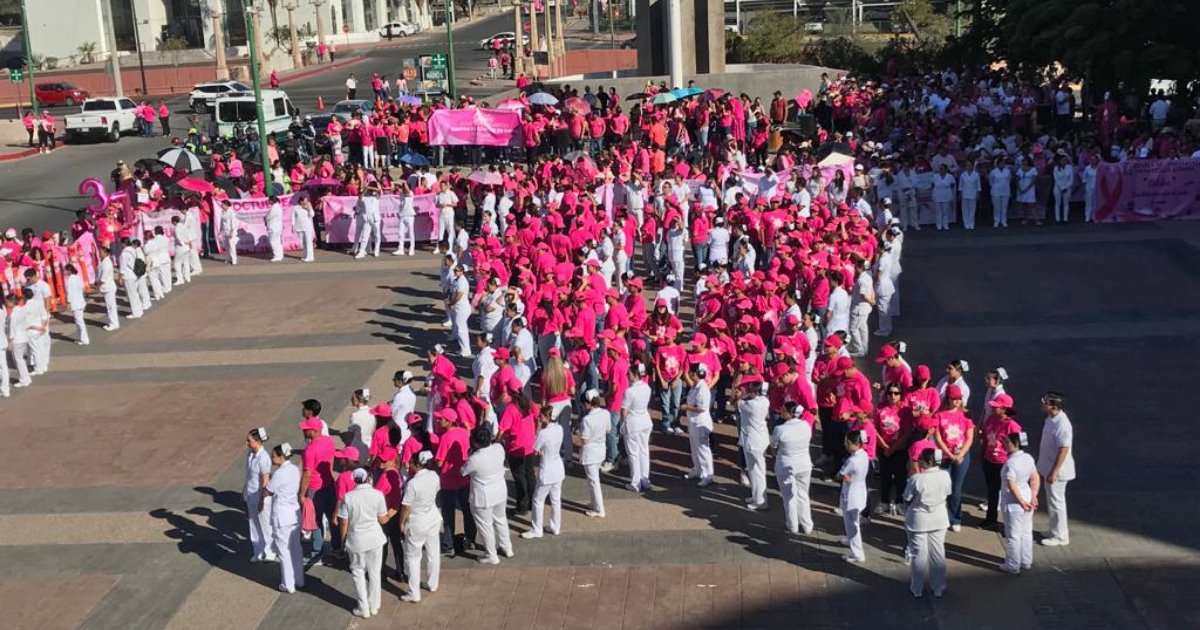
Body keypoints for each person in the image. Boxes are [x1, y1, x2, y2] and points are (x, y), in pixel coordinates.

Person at [339, 467, 391, 618]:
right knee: (375, 572)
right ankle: (374, 605)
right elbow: (383, 519)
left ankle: (364, 607)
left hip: (356, 540)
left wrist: (343, 540)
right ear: (368, 477)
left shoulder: (348, 497)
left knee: (358, 573)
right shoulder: (378, 495)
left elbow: (344, 522)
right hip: (375, 539)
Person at [460, 425, 513, 564]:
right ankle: (507, 547)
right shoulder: (498, 448)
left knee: (485, 525)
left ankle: (491, 555)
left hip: (483, 496)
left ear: (476, 442)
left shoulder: (475, 458)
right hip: (500, 491)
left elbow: (463, 471)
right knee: (501, 519)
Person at [904, 448, 952, 598]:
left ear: (928, 461)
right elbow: (948, 493)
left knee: (918, 554)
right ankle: (938, 587)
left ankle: (917, 588)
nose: (919, 461)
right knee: (938, 553)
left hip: (919, 520)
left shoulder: (917, 479)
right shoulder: (945, 475)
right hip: (939, 519)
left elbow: (907, 497)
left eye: (921, 459)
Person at [400, 451, 443, 603]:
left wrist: (401, 522)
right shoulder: (434, 476)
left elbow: (406, 507)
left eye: (411, 462)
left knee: (413, 557)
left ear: (417, 464)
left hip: (417, 522)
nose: (409, 464)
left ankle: (414, 592)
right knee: (433, 552)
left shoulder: (412, 484)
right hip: (432, 518)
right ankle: (432, 583)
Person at [264, 443, 304, 593]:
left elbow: (268, 490)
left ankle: (288, 584)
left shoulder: (279, 474)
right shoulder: (294, 469)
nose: (272, 458)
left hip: (282, 517)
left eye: (274, 456)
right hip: (294, 514)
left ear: (281, 457)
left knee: (283, 551)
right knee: (296, 549)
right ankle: (299, 579)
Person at [933, 384, 974, 531]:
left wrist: (960, 454)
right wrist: (950, 455)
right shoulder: (939, 415)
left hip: (961, 456)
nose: (957, 401)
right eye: (953, 398)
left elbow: (969, 437)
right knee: (943, 489)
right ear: (948, 399)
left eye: (959, 398)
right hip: (945, 456)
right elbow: (937, 437)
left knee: (956, 489)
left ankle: (955, 518)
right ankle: (942, 517)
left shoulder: (966, 415)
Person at [1037, 391, 1075, 546]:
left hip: (1057, 471)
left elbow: (1063, 450)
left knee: (1057, 502)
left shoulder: (1062, 425)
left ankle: (1061, 536)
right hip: (1048, 467)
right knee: (1052, 501)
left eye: (1045, 402)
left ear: (1053, 405)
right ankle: (1055, 530)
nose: (1042, 404)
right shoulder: (1050, 419)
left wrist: (1054, 472)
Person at [999, 431, 1040, 574]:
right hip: (1028, 498)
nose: (1005, 444)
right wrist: (1033, 496)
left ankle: (1012, 565)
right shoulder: (1028, 458)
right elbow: (1035, 478)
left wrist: (1021, 502)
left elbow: (1012, 485)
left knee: (1013, 535)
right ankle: (1026, 561)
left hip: (1014, 503)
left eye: (1008, 442)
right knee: (1026, 532)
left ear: (1015, 444)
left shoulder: (1011, 463)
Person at [771, 401, 813, 535]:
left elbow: (773, 446)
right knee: (803, 494)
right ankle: (807, 525)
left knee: (789, 496)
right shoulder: (806, 425)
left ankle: (792, 525)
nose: (781, 411)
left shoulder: (780, 429)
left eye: (783, 410)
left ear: (790, 414)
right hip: (804, 464)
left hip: (786, 465)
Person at [523, 405, 564, 538]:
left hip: (547, 470)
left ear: (547, 418)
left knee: (537, 500)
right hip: (558, 468)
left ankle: (537, 529)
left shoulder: (543, 433)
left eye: (541, 416)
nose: (539, 417)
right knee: (555, 500)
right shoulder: (560, 428)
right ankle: (555, 526)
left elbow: (535, 451)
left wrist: (540, 451)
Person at [980, 393, 1021, 528]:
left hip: (1003, 463)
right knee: (992, 491)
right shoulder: (991, 419)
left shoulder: (1013, 426)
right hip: (989, 460)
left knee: (1006, 493)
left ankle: (1009, 523)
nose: (992, 408)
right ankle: (991, 518)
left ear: (1004, 409)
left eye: (996, 407)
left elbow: (1018, 447)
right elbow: (985, 437)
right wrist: (983, 453)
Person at [243, 427, 276, 563]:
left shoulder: (264, 458)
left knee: (265, 524)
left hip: (260, 496)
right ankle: (258, 551)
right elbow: (249, 475)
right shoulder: (250, 455)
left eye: (249, 440)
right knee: (254, 524)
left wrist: (262, 498)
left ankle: (270, 551)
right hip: (250, 494)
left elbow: (265, 480)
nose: (247, 443)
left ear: (257, 441)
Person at [621, 362, 654, 493]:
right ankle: (645, 480)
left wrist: (623, 423)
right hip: (645, 422)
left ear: (635, 375)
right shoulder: (647, 388)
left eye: (629, 374)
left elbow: (624, 411)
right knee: (644, 451)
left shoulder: (630, 391)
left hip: (633, 423)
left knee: (633, 454)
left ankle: (635, 482)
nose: (627, 375)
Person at [738, 380, 771, 511]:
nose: (749, 391)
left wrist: (741, 395)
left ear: (757, 392)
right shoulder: (765, 401)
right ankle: (756, 496)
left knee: (757, 472)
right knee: (754, 471)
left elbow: (738, 401)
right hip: (758, 440)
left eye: (751, 390)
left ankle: (761, 501)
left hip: (753, 441)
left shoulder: (751, 405)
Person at [680, 363, 714, 487]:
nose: (688, 374)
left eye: (691, 372)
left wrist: (686, 407)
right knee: (694, 447)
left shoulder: (703, 389)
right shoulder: (695, 386)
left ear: (696, 374)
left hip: (701, 423)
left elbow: (702, 407)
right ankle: (697, 470)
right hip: (693, 422)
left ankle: (707, 475)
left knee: (703, 449)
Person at [839, 429, 869, 563]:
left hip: (851, 495)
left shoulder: (852, 460)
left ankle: (857, 553)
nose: (845, 445)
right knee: (853, 522)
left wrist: (843, 476)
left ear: (854, 444)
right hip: (860, 491)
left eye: (847, 443)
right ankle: (851, 541)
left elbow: (841, 474)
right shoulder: (864, 455)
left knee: (852, 524)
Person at [578, 389, 610, 517]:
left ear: (587, 404)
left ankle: (599, 509)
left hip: (590, 453)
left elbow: (584, 440)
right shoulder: (606, 413)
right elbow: (608, 430)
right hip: (601, 450)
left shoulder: (587, 420)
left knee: (594, 481)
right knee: (593, 480)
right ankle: (594, 503)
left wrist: (592, 438)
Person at [118, 240, 145, 319]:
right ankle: (139, 310)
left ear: (124, 243)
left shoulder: (124, 253)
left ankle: (135, 313)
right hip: (134, 274)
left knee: (131, 295)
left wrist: (120, 277)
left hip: (128, 276)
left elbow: (122, 267)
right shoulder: (133, 250)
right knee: (135, 294)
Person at [63, 264, 89, 345]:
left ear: (69, 271)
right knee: (80, 321)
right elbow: (82, 288)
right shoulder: (78, 277)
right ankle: (83, 338)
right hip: (81, 301)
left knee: (79, 322)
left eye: (65, 270)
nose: (64, 272)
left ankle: (84, 339)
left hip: (76, 304)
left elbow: (69, 292)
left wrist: (68, 302)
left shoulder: (70, 280)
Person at [354, 187, 382, 259]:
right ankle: (362, 251)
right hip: (367, 219)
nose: (369, 191)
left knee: (377, 235)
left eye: (370, 190)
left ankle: (376, 250)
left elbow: (379, 190)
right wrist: (364, 190)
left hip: (375, 219)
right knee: (364, 236)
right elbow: (360, 198)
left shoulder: (377, 197)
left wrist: (370, 187)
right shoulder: (364, 198)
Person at [97, 244, 119, 331]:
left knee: (111, 307)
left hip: (108, 287)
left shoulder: (106, 263)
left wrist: (97, 285)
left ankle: (113, 324)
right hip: (108, 287)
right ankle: (113, 322)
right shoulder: (105, 261)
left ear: (106, 253)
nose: (100, 253)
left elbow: (103, 278)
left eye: (101, 252)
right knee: (110, 306)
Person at [292, 196, 316, 262]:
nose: (306, 201)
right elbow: (293, 217)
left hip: (307, 227)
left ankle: (310, 257)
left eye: (307, 200)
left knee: (308, 242)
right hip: (299, 227)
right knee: (302, 242)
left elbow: (312, 215)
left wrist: (308, 209)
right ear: (301, 201)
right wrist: (293, 226)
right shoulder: (295, 208)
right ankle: (305, 255)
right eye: (305, 200)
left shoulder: (308, 206)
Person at [265, 196, 284, 262]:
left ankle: (277, 256)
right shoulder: (277, 207)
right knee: (277, 241)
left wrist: (265, 217)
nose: (268, 201)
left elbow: (269, 216)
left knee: (273, 242)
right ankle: (279, 255)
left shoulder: (275, 208)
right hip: (277, 226)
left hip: (274, 227)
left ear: (272, 201)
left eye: (269, 200)